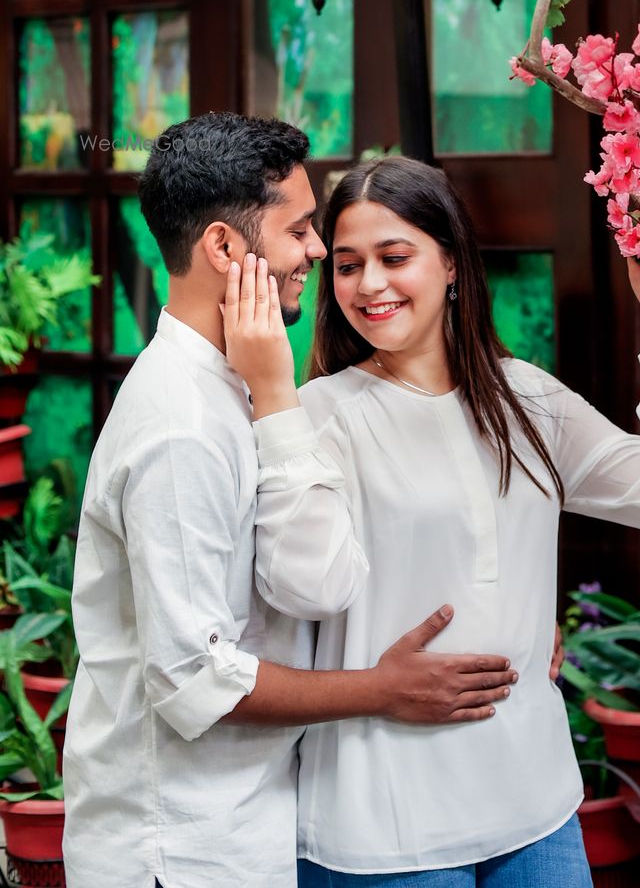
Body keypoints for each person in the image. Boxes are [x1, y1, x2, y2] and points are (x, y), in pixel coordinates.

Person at [227, 155, 640, 887]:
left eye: (395, 258)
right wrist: (273, 401)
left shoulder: (526, 398)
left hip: (533, 799)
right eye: (347, 264)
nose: (369, 285)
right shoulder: (319, 415)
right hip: (382, 821)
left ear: (453, 262)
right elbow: (304, 588)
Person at [63, 116, 524, 888]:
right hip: (179, 851)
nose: (317, 251)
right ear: (223, 248)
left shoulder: (240, 382)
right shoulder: (182, 427)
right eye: (301, 229)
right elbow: (192, 680)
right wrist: (383, 690)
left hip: (249, 823)